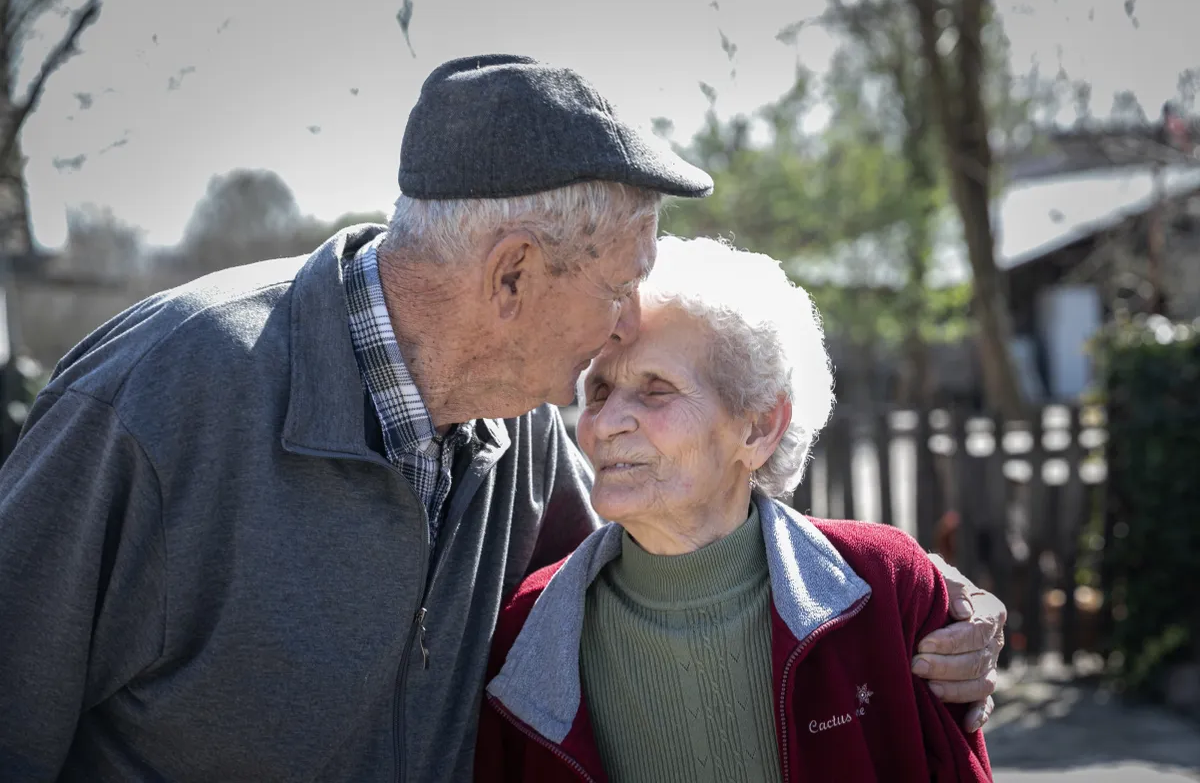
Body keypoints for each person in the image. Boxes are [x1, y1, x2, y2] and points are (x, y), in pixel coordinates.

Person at [0, 55, 1002, 783]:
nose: (625, 327)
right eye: (621, 287)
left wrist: (929, 596)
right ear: (513, 273)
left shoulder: (512, 425)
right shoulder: (156, 399)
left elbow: (669, 544)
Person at [476, 236, 992, 782]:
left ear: (758, 426)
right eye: (599, 391)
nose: (605, 424)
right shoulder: (527, 633)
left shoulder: (886, 586)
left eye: (656, 391)